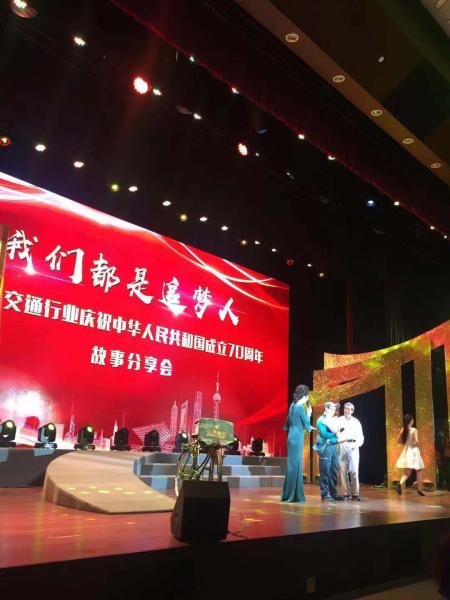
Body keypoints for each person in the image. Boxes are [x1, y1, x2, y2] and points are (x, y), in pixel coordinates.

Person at [281, 384, 313, 503]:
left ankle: (289, 494)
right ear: (304, 396)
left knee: (292, 465)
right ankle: (294, 495)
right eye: (307, 395)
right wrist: (309, 413)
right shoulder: (300, 407)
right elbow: (307, 425)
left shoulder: (292, 405)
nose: (307, 398)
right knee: (296, 466)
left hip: (291, 436)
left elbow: (290, 422)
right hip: (297, 437)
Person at [314, 402, 344, 501]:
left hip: (333, 445)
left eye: (334, 409)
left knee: (334, 470)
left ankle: (333, 493)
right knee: (325, 470)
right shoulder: (321, 420)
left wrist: (338, 435)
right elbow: (324, 433)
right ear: (326, 409)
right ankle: (325, 493)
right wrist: (336, 434)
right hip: (325, 446)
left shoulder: (332, 419)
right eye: (332, 409)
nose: (334, 411)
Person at [336, 402, 364, 500]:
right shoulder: (339, 420)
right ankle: (345, 493)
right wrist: (339, 442)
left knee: (354, 470)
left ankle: (355, 493)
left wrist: (356, 445)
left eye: (348, 409)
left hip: (353, 446)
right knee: (343, 470)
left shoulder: (356, 422)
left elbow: (360, 437)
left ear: (352, 411)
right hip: (342, 445)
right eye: (345, 409)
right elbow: (336, 432)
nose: (346, 411)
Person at [395, 414, 425, 496]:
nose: (413, 421)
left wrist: (405, 444)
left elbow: (398, 441)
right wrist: (415, 444)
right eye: (412, 419)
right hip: (413, 451)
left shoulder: (403, 429)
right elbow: (416, 442)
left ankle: (400, 483)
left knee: (407, 473)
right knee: (419, 471)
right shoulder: (414, 430)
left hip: (406, 452)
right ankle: (419, 490)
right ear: (411, 421)